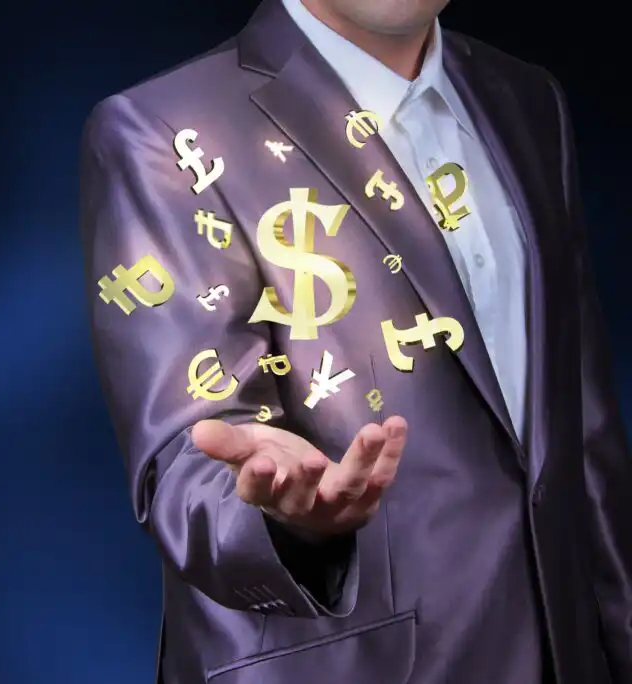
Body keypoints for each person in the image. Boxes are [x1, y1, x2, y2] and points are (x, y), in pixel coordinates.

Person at [79, 0, 632, 681]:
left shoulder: (528, 101)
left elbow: (583, 433)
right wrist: (290, 520)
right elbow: (185, 463)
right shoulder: (161, 130)